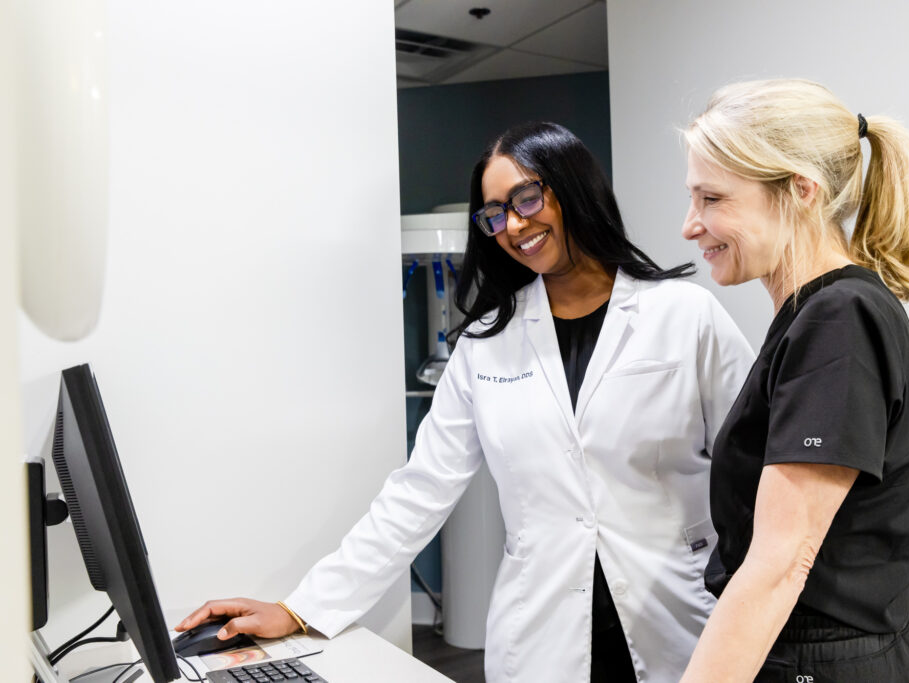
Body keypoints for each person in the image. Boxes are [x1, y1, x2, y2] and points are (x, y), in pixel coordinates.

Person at [176, 122, 753, 682]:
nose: (512, 225)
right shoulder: (486, 346)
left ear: (573, 186)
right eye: (495, 212)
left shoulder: (684, 316)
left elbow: (757, 472)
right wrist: (303, 608)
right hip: (543, 637)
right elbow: (420, 490)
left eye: (526, 197)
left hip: (679, 618)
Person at [676, 79, 909, 682]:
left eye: (712, 199)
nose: (690, 226)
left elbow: (781, 563)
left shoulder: (838, 320)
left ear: (801, 190)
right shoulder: (842, 309)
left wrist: (834, 647)